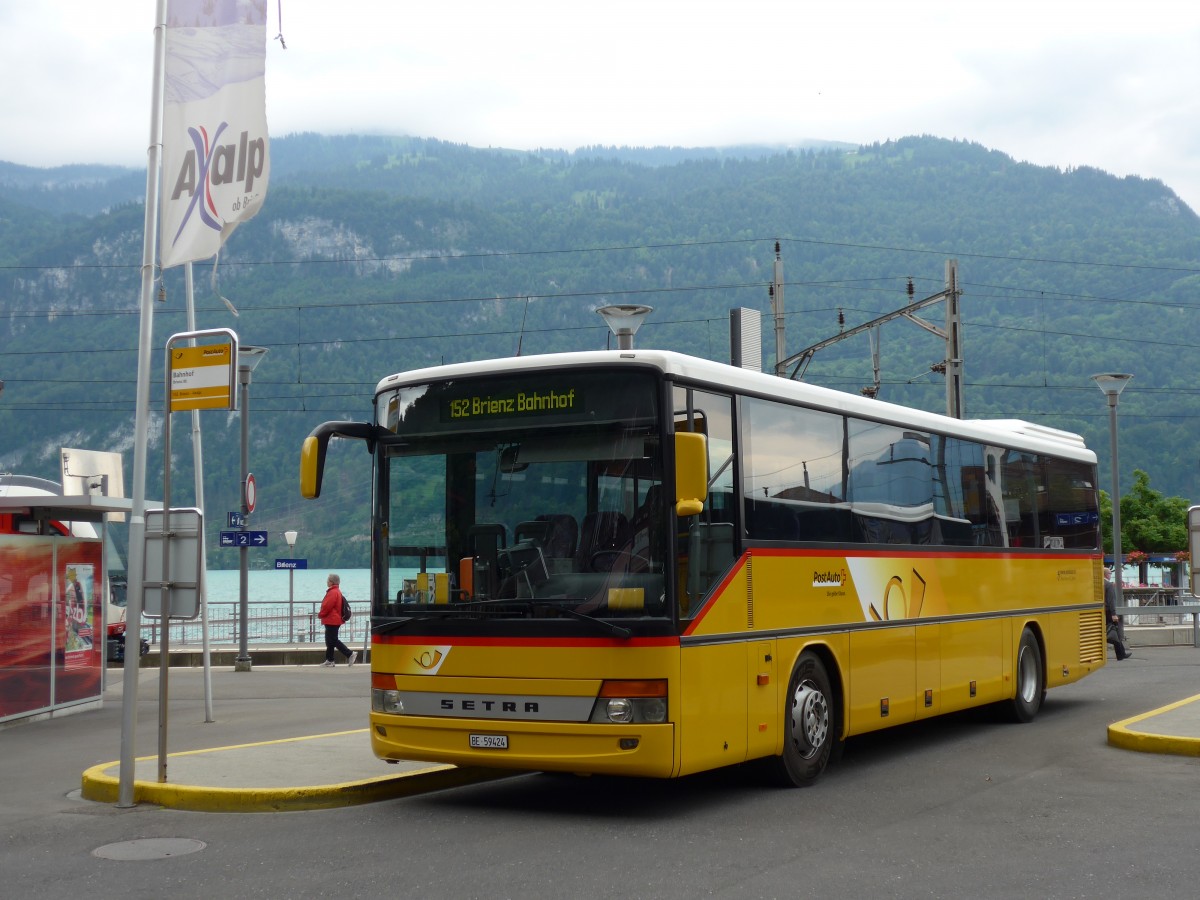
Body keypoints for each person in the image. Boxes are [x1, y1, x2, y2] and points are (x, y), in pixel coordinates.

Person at [318, 573, 357, 667]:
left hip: (332, 620)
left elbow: (327, 606)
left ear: (331, 582)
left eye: (328, 580)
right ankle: (330, 659)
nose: (327, 582)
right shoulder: (336, 591)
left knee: (333, 640)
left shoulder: (333, 592)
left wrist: (320, 614)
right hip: (333, 619)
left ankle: (350, 654)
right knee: (329, 640)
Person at [1104, 567, 1132, 661]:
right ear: (1106, 574)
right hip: (1109, 612)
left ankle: (1121, 653)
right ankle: (1120, 654)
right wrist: (1114, 614)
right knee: (1114, 632)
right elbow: (1111, 601)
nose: (1110, 575)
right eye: (1109, 573)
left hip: (1102, 611)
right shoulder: (1108, 584)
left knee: (1111, 631)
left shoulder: (1099, 584)